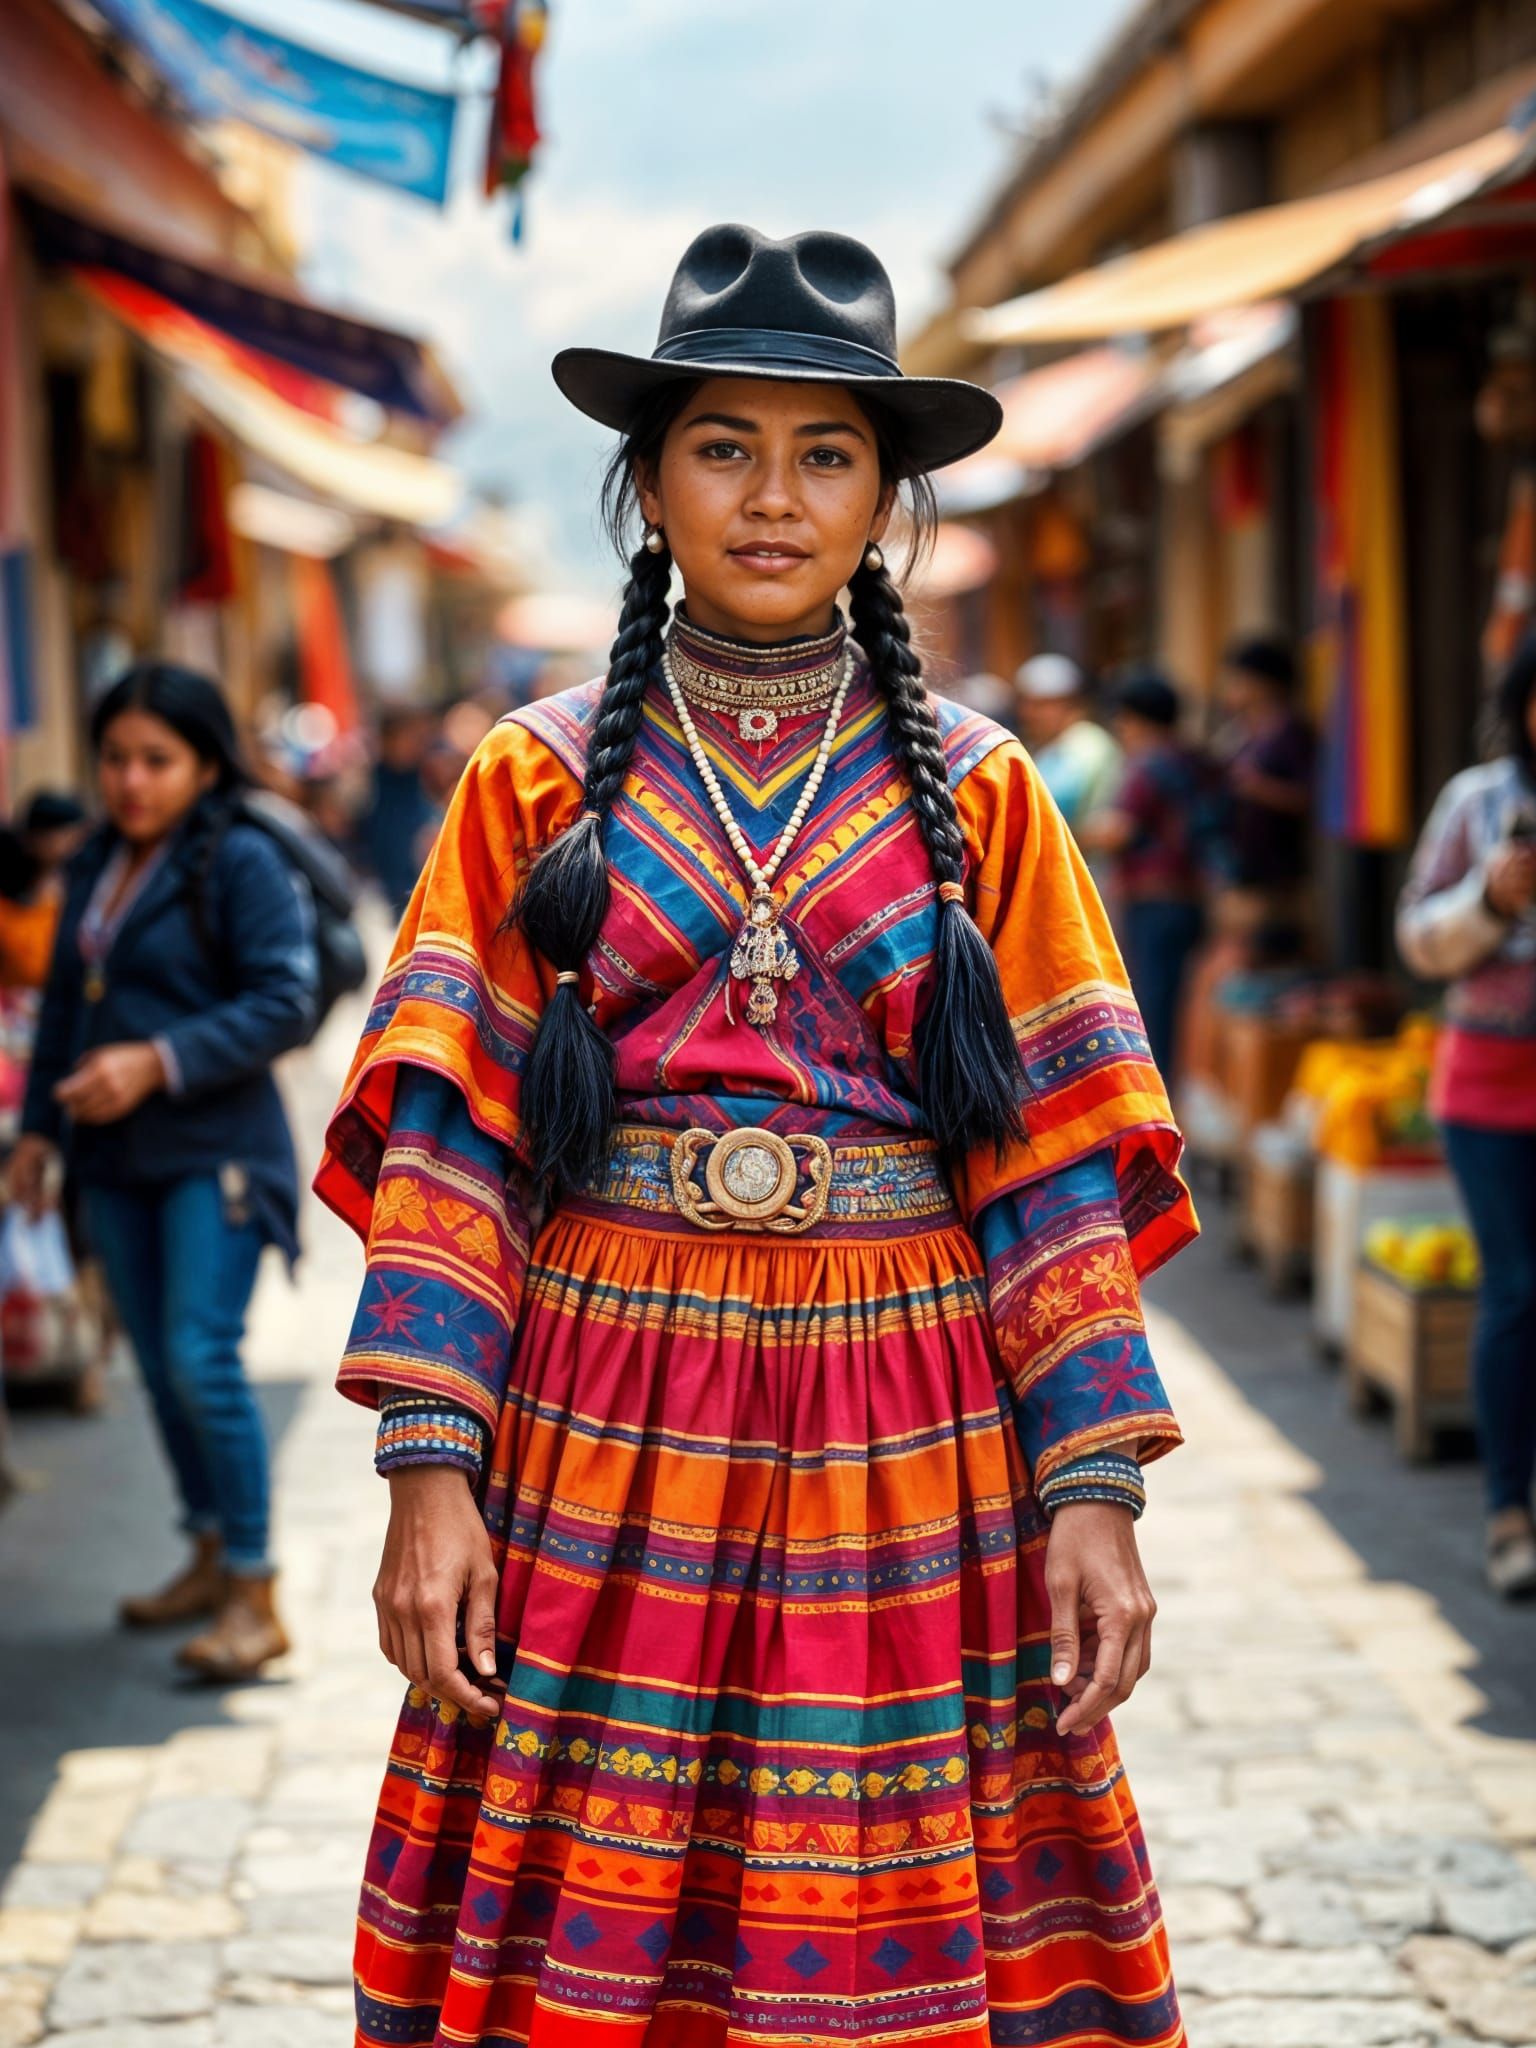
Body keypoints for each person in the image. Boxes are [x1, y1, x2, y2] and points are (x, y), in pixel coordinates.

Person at [316, 226, 1197, 2048]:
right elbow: (454, 1144)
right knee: (605, 1919)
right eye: (723, 446)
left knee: (875, 1904)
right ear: (649, 482)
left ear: (887, 499)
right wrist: (426, 1463)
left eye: (825, 454)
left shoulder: (989, 791)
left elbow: (1047, 1166)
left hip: (910, 1426)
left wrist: (1093, 1488)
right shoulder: (532, 779)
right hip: (599, 1419)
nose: (772, 495)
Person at [12, 663, 317, 1678]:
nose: (132, 780)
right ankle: (202, 1550)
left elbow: (286, 997)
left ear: (204, 763)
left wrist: (158, 1058)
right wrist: (38, 1130)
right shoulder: (97, 860)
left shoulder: (238, 860)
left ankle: (254, 1585)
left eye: (158, 760)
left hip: (215, 1152)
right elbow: (65, 1003)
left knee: (201, 1355)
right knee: (155, 1365)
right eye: (115, 758)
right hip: (113, 1156)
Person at [1397, 637, 1536, 1599]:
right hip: (1489, 1081)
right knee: (1518, 1292)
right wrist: (1488, 899)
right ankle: (1507, 1510)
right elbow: (1418, 937)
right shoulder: (1478, 805)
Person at [1081, 668, 1222, 1082]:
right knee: (1179, 1006)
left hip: (1154, 903)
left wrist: (1073, 832)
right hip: (1193, 898)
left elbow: (1118, 830)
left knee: (1155, 1008)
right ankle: (1176, 1092)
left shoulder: (1146, 765)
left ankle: (1159, 1099)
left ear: (1136, 718)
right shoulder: (1194, 759)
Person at [1216, 633, 1314, 926]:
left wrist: (1259, 788)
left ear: (1263, 683)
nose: (1230, 688)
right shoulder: (1243, 731)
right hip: (1244, 867)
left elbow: (1308, 797)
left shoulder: (1290, 732)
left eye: (1238, 679)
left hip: (1279, 874)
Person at [1015, 650, 1122, 839]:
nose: (1029, 714)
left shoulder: (1088, 744)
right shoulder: (1053, 743)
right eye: (1026, 704)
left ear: (1070, 703)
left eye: (1041, 705)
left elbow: (1052, 805)